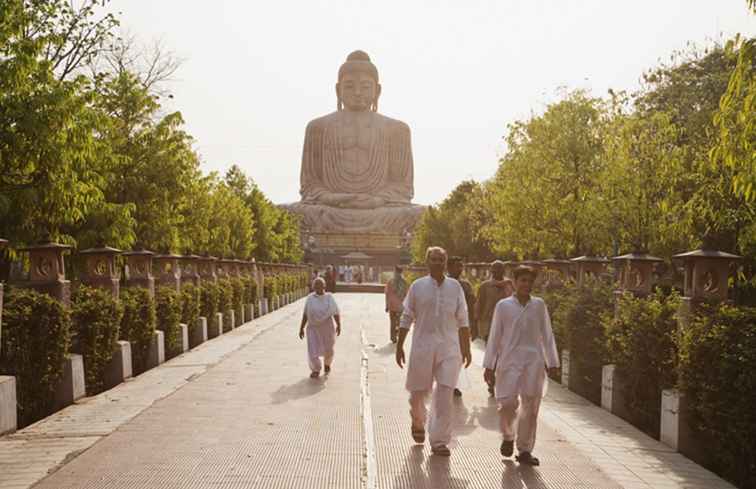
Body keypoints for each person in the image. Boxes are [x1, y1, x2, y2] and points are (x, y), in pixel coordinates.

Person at [396, 247, 472, 457]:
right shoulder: (417, 287)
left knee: (445, 393)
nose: (438, 263)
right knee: (417, 394)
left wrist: (466, 348)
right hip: (422, 346)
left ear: (445, 262)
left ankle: (439, 441)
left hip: (449, 348)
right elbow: (407, 316)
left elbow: (463, 319)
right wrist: (399, 345)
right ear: (427, 262)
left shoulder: (455, 287)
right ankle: (418, 420)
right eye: (434, 259)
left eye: (441, 260)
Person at [483, 266, 559, 466]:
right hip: (508, 361)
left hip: (533, 362)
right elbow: (495, 336)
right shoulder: (503, 306)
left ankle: (525, 450)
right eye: (522, 280)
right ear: (515, 282)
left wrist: (552, 362)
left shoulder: (539, 305)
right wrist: (489, 365)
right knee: (507, 403)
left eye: (529, 281)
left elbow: (547, 335)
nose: (526, 284)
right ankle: (508, 436)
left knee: (531, 406)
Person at [476, 260, 513, 395]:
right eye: (495, 269)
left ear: (504, 271)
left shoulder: (509, 285)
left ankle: (502, 381)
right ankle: (491, 382)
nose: (497, 271)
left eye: (500, 269)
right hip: (489, 325)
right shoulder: (485, 286)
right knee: (492, 355)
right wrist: (477, 324)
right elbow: (479, 304)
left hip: (507, 326)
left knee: (504, 356)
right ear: (491, 271)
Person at [299, 277, 342, 378]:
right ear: (313, 287)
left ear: (324, 286)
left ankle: (327, 364)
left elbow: (335, 312)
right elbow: (305, 314)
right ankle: (316, 369)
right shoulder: (310, 298)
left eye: (320, 285)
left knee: (329, 350)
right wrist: (301, 327)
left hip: (327, 328)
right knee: (313, 351)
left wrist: (339, 325)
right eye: (316, 286)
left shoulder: (329, 298)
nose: (318, 288)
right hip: (313, 328)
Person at [447, 256, 476, 398]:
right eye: (457, 266)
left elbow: (471, 305)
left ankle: (454, 383)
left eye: (461, 266)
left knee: (459, 356)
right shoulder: (443, 284)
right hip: (446, 327)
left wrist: (473, 325)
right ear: (449, 267)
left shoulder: (466, 285)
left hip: (462, 326)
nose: (459, 269)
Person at [384, 265, 408, 343]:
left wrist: (387, 305)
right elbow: (406, 294)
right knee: (400, 321)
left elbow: (387, 294)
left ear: (395, 271)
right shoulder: (404, 282)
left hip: (392, 305)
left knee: (392, 321)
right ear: (401, 272)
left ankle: (393, 337)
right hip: (400, 305)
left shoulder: (390, 281)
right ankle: (397, 332)